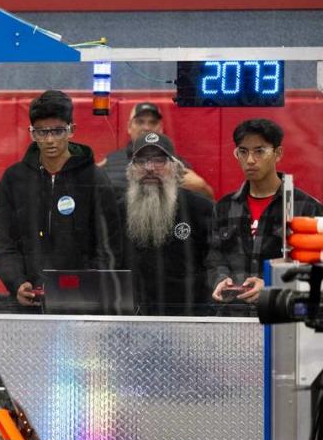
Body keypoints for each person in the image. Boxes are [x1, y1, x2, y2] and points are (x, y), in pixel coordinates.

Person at [0, 90, 121, 307]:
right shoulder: (14, 179)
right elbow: (2, 243)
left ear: (71, 130)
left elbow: (109, 247)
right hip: (29, 302)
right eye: (42, 132)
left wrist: (85, 287)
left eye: (58, 131)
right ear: (32, 133)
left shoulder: (94, 179)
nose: (50, 140)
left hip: (83, 303)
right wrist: (17, 283)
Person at [207, 118, 323, 306]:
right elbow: (214, 258)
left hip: (282, 319)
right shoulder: (224, 207)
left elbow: (315, 269)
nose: (250, 160)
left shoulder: (306, 207)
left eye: (259, 151)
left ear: (278, 153)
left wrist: (271, 284)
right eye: (243, 152)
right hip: (233, 315)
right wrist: (221, 279)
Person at [119, 132, 212, 315]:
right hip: (131, 319)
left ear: (177, 168)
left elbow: (215, 266)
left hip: (187, 320)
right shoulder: (116, 212)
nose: (150, 168)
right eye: (141, 160)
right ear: (130, 170)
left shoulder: (201, 209)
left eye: (159, 160)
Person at [100, 102, 214, 199]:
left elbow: (207, 200)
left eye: (153, 122)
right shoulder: (111, 160)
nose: (146, 128)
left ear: (160, 128)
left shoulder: (177, 162)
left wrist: (202, 188)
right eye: (140, 122)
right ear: (129, 127)